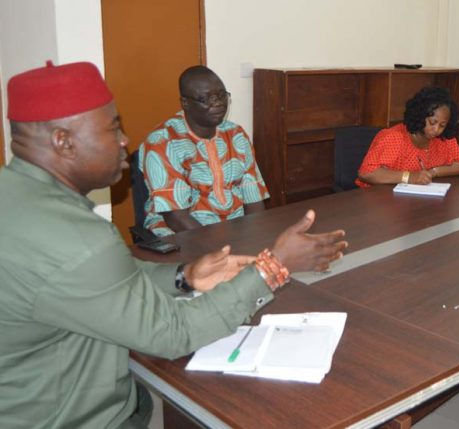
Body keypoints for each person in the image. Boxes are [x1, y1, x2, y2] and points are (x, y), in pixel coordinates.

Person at [0, 61, 347, 428]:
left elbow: (107, 277)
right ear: (63, 141)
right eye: (113, 127)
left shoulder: (20, 200)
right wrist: (270, 267)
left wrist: (184, 276)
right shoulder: (76, 238)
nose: (124, 141)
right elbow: (174, 333)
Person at [139, 65, 268, 237]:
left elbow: (254, 198)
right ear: (185, 103)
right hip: (181, 236)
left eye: (222, 95)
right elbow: (175, 216)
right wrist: (220, 249)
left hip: (234, 232)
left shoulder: (235, 134)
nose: (218, 103)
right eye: (206, 98)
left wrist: (257, 238)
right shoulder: (163, 141)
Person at [356, 86, 459, 187]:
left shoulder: (443, 139)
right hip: (379, 202)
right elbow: (366, 172)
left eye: (442, 125)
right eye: (432, 122)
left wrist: (434, 172)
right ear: (420, 115)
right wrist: (409, 177)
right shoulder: (393, 138)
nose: (437, 130)